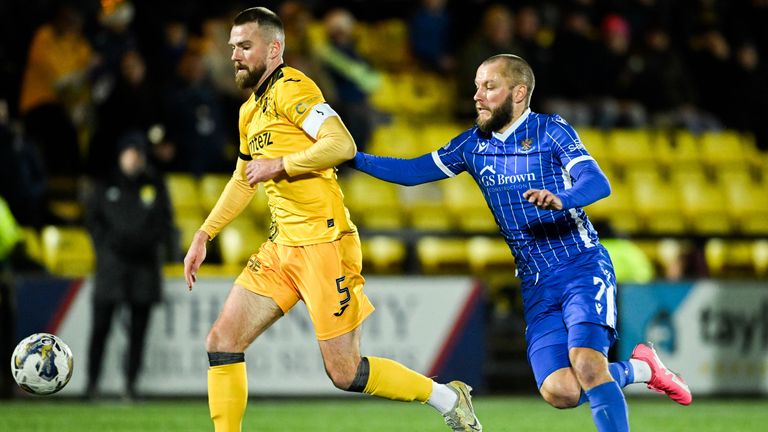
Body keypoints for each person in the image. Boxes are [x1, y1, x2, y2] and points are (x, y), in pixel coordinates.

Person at [350, 54, 692, 432]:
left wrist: (564, 198)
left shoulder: (551, 130)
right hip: (535, 282)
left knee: (588, 364)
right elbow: (413, 171)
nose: (477, 96)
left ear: (519, 92)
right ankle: (643, 368)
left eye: (489, 87)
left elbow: (598, 182)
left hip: (581, 264)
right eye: (477, 86)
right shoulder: (472, 145)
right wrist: (352, 156)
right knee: (560, 391)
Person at [182, 7, 481, 432]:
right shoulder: (250, 110)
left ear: (273, 49)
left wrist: (281, 164)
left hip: (324, 244)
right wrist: (204, 233)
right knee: (221, 342)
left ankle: (448, 397)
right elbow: (243, 178)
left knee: (345, 372)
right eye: (233, 47)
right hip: (281, 246)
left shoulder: (294, 88)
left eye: (245, 46)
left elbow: (341, 144)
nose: (235, 56)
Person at [84, 130, 173, 400]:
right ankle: (91, 385)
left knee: (138, 331)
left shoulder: (154, 185)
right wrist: (108, 246)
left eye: (138, 154)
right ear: (121, 155)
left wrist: (142, 243)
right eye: (130, 153)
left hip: (143, 266)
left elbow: (164, 222)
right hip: (111, 267)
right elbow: (93, 221)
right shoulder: (105, 184)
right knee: (101, 328)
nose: (134, 159)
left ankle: (130, 386)